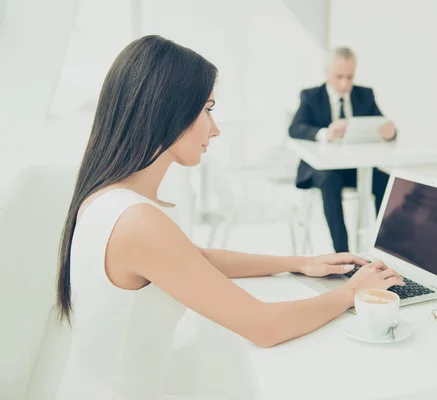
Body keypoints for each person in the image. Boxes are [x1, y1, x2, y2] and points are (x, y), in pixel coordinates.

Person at [54, 35, 404, 399]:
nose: (215, 128)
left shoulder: (104, 198)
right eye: (207, 109)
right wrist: (353, 292)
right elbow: (264, 327)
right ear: (167, 110)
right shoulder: (138, 222)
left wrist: (302, 262)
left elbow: (194, 258)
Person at [289, 47, 398, 253]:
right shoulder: (311, 96)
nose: (345, 83)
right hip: (320, 169)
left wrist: (390, 132)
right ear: (327, 72)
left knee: (387, 181)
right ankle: (344, 255)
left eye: (350, 76)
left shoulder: (365, 95)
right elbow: (295, 128)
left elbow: (383, 124)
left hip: (355, 168)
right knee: (330, 180)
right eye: (339, 76)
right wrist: (324, 133)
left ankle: (388, 250)